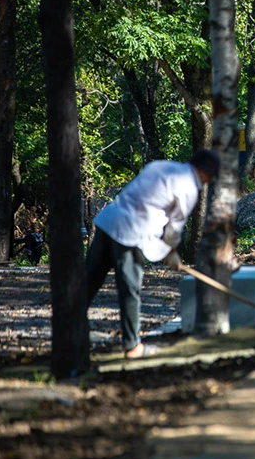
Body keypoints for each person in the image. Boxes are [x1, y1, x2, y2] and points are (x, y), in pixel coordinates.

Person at [85, 149, 220, 359]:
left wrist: (165, 249)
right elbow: (174, 228)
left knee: (88, 281)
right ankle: (132, 346)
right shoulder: (189, 187)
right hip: (132, 232)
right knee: (130, 289)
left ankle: (66, 332)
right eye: (209, 178)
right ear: (204, 172)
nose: (207, 182)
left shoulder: (161, 166)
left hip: (108, 220)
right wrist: (171, 251)